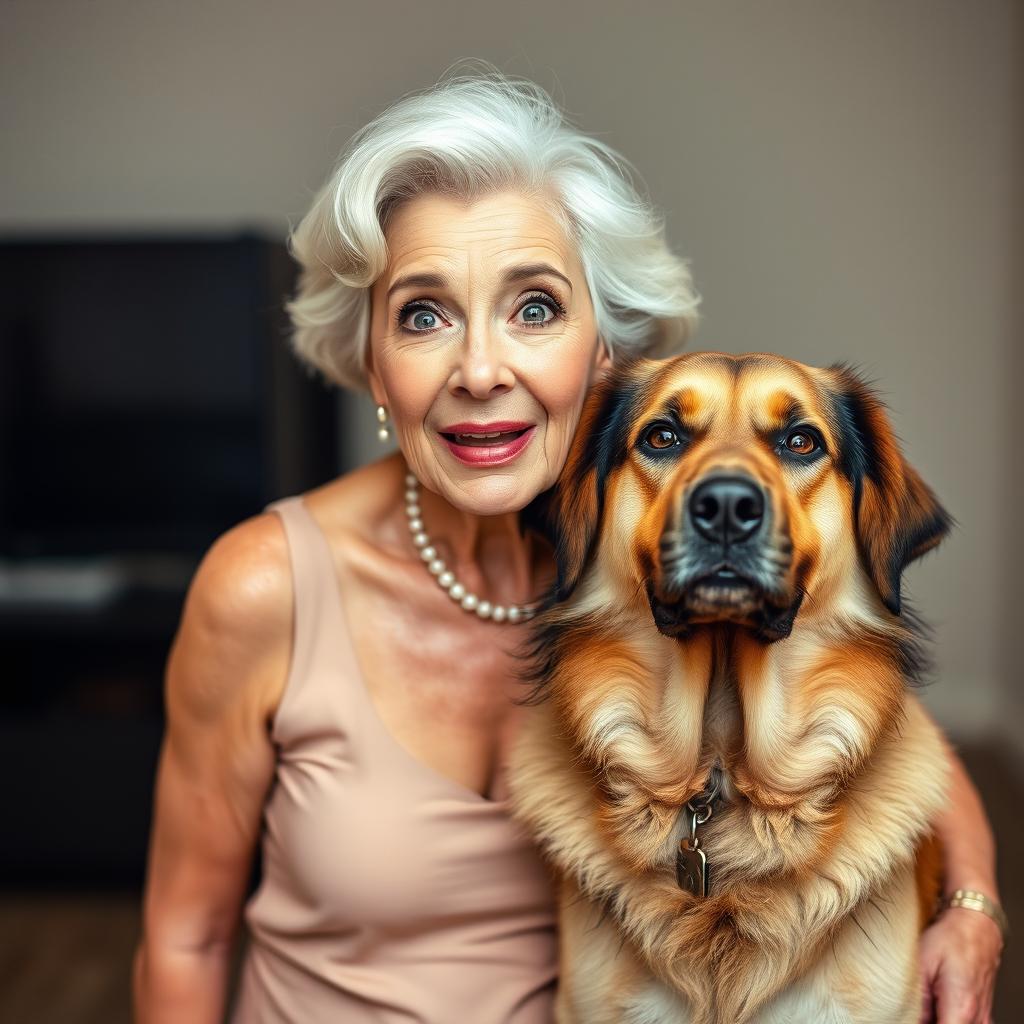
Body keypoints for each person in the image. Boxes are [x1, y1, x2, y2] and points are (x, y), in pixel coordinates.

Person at [132, 63, 1005, 1024]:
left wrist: (971, 902)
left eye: (535, 307)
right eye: (422, 315)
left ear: (602, 350)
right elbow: (186, 938)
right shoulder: (265, 585)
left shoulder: (637, 544)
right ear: (374, 364)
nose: (479, 369)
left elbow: (888, 730)